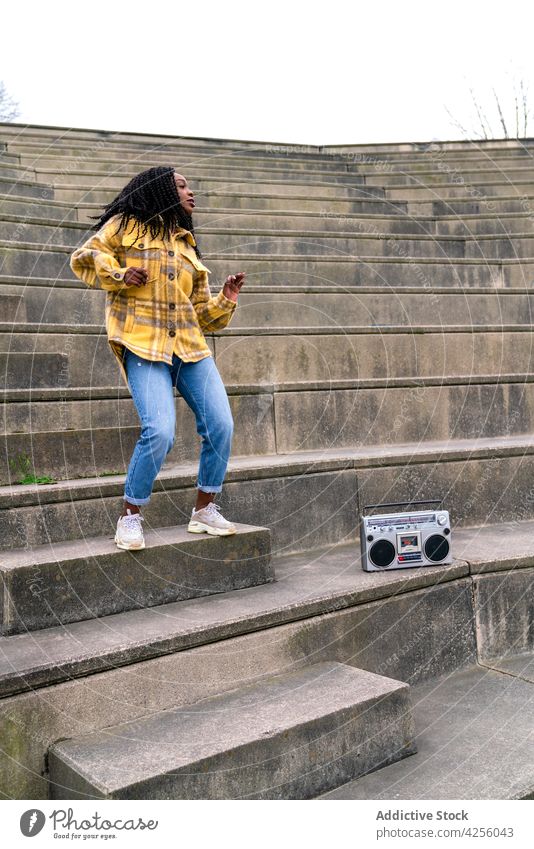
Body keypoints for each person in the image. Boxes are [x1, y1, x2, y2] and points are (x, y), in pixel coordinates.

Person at [70, 166, 245, 550]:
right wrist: (119, 274)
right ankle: (130, 516)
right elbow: (84, 259)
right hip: (141, 343)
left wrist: (226, 299)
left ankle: (204, 509)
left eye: (190, 186)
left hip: (189, 347)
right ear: (161, 190)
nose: (190, 192)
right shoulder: (124, 225)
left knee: (221, 425)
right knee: (160, 431)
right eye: (182, 186)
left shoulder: (186, 244)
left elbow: (201, 314)